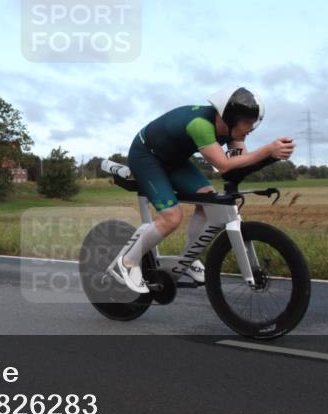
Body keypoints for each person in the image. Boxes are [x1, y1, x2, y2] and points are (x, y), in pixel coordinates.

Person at [107, 87, 295, 293]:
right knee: (171, 217)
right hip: (146, 157)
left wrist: (271, 157)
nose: (251, 128)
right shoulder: (200, 125)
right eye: (248, 122)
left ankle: (186, 259)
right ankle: (128, 262)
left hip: (174, 160)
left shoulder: (232, 132)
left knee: (208, 202)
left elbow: (239, 166)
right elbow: (224, 165)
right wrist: (268, 149)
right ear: (230, 118)